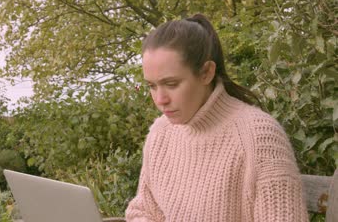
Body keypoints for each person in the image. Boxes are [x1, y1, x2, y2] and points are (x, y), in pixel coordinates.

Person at [125, 14, 308, 221]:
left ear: (206, 73)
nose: (160, 99)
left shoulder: (259, 136)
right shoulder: (160, 133)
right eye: (152, 86)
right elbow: (144, 211)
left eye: (172, 84)